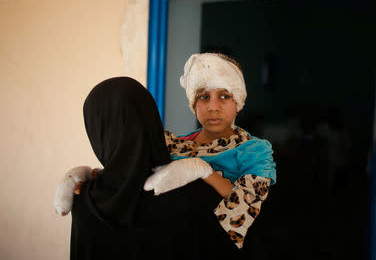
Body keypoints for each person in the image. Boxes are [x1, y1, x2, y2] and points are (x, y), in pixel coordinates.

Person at [55, 53, 276, 255]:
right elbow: (135, 167)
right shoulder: (174, 144)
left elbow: (251, 212)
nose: (213, 107)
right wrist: (90, 174)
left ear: (238, 101)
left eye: (225, 96)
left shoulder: (254, 151)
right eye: (203, 97)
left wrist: (204, 171)